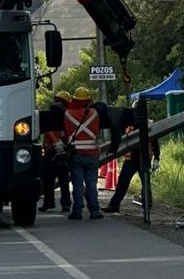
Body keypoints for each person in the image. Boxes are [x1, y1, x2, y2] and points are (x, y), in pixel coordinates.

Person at [63, 87, 105, 220]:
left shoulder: (68, 114)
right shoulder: (94, 113)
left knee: (77, 184)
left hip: (76, 154)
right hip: (92, 153)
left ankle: (77, 211)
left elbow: (66, 133)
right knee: (92, 183)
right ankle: (94, 210)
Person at [107, 126, 160, 213]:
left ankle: (147, 206)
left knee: (145, 183)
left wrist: (157, 157)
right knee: (123, 183)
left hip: (143, 159)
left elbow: (155, 143)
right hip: (132, 159)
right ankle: (114, 205)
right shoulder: (129, 127)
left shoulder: (148, 126)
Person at [39, 90, 71, 212]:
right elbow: (48, 132)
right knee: (51, 179)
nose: (57, 103)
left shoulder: (65, 116)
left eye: (59, 101)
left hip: (58, 151)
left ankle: (60, 203)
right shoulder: (59, 116)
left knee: (59, 179)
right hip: (53, 151)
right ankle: (54, 202)